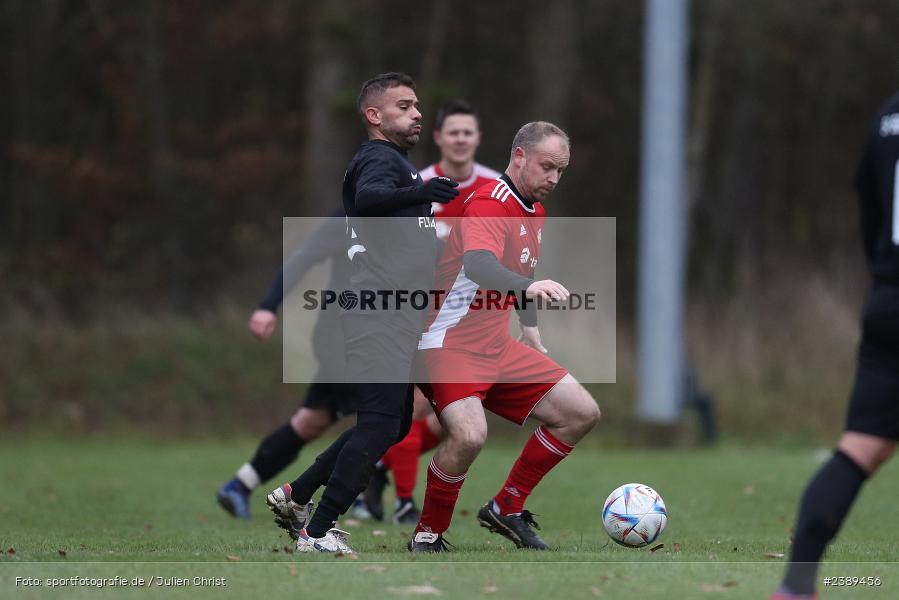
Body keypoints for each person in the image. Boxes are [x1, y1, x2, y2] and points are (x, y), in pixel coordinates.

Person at [264, 72, 459, 553]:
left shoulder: (397, 164)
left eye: (417, 106)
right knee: (377, 423)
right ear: (374, 115)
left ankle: (297, 494)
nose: (417, 114)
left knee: (392, 424)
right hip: (377, 313)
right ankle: (315, 532)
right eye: (405, 105)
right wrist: (424, 193)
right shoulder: (379, 158)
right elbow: (371, 200)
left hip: (391, 313)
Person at [408, 121, 601, 552]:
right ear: (519, 157)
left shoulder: (533, 210)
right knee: (470, 436)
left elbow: (522, 269)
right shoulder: (488, 204)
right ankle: (427, 534)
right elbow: (479, 265)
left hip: (496, 347)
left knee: (581, 412)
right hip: (448, 344)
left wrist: (530, 330)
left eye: (561, 170)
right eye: (546, 166)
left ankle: (506, 507)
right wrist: (528, 288)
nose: (553, 178)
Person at [215, 210, 431, 524]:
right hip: (344, 336)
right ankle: (340, 499)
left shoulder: (404, 222)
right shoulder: (344, 221)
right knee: (382, 419)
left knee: (312, 421)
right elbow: (302, 260)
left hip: (365, 335)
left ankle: (240, 484)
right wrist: (267, 307)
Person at [773, 93, 899, 599]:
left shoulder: (888, 117)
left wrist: (885, 277)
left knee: (858, 449)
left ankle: (796, 587)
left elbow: (868, 203)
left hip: (889, 299)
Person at [361, 100, 500, 522]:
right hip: (423, 317)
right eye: (452, 132)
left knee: (445, 425)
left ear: (477, 139)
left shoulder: (494, 188)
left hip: (474, 321)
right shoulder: (417, 184)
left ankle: (380, 468)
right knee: (419, 408)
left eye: (467, 132)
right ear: (438, 138)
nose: (460, 139)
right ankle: (405, 503)